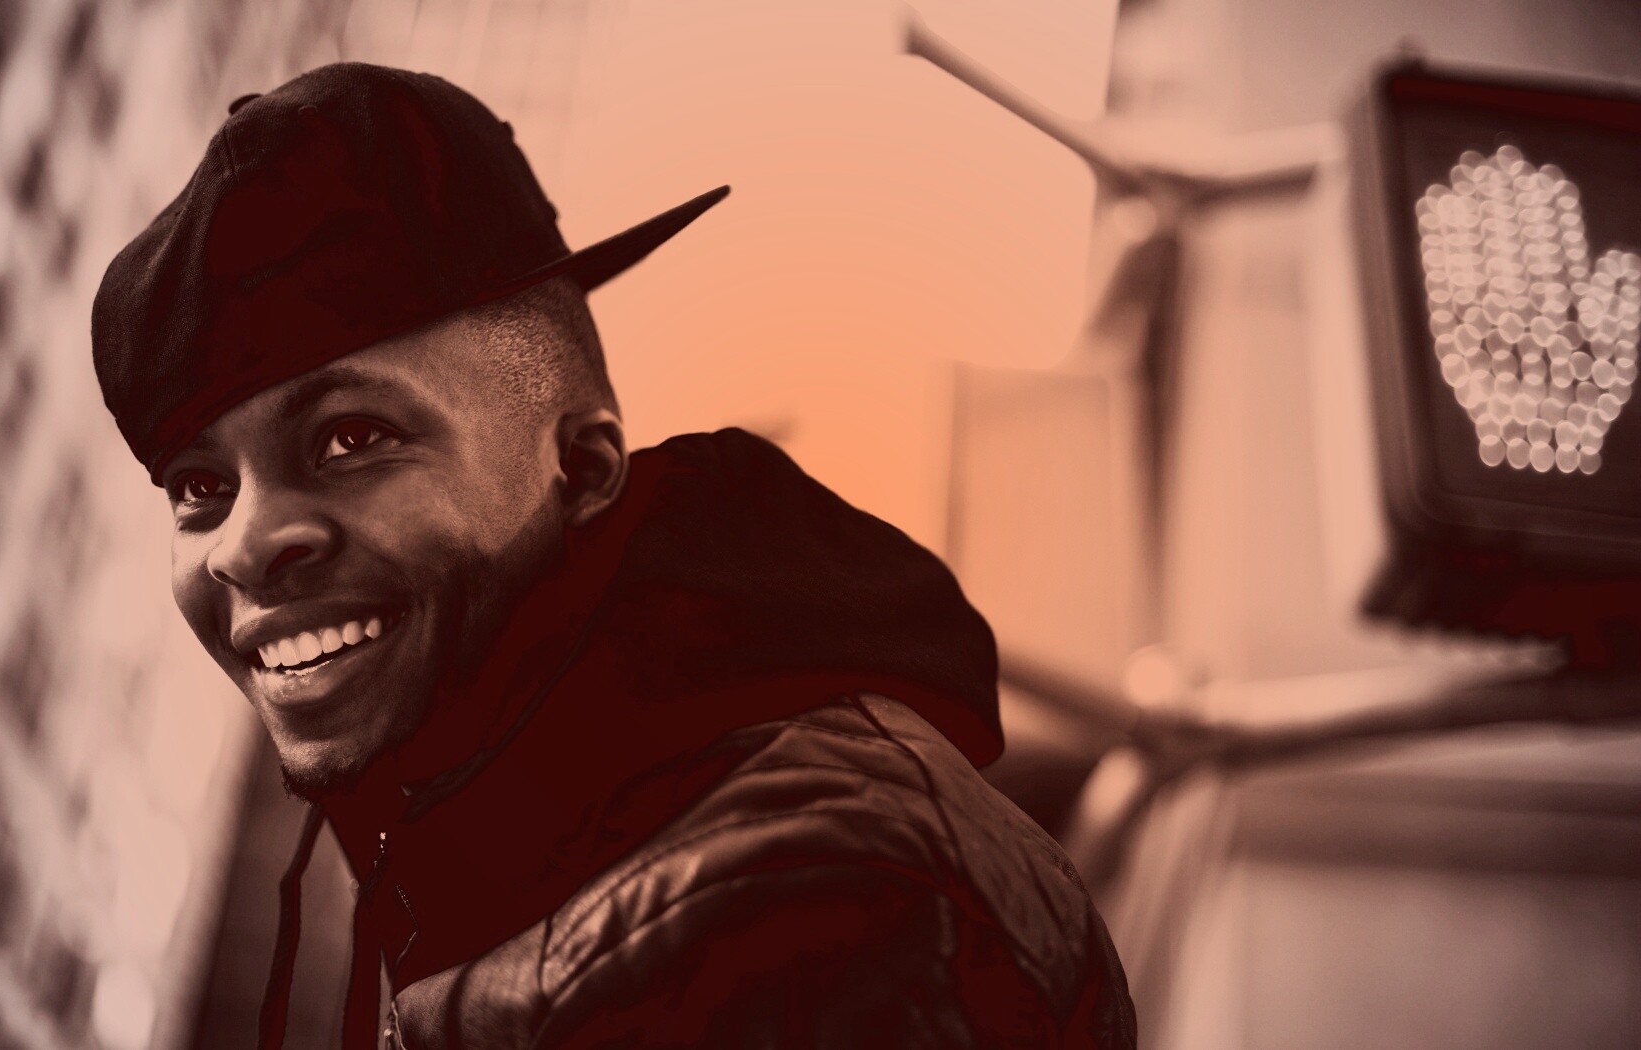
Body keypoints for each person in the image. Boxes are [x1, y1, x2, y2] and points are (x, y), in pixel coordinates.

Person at [91, 62, 1135, 1049]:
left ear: (583, 468)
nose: (244, 546)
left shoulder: (780, 918)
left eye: (351, 438)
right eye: (199, 488)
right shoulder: (539, 825)